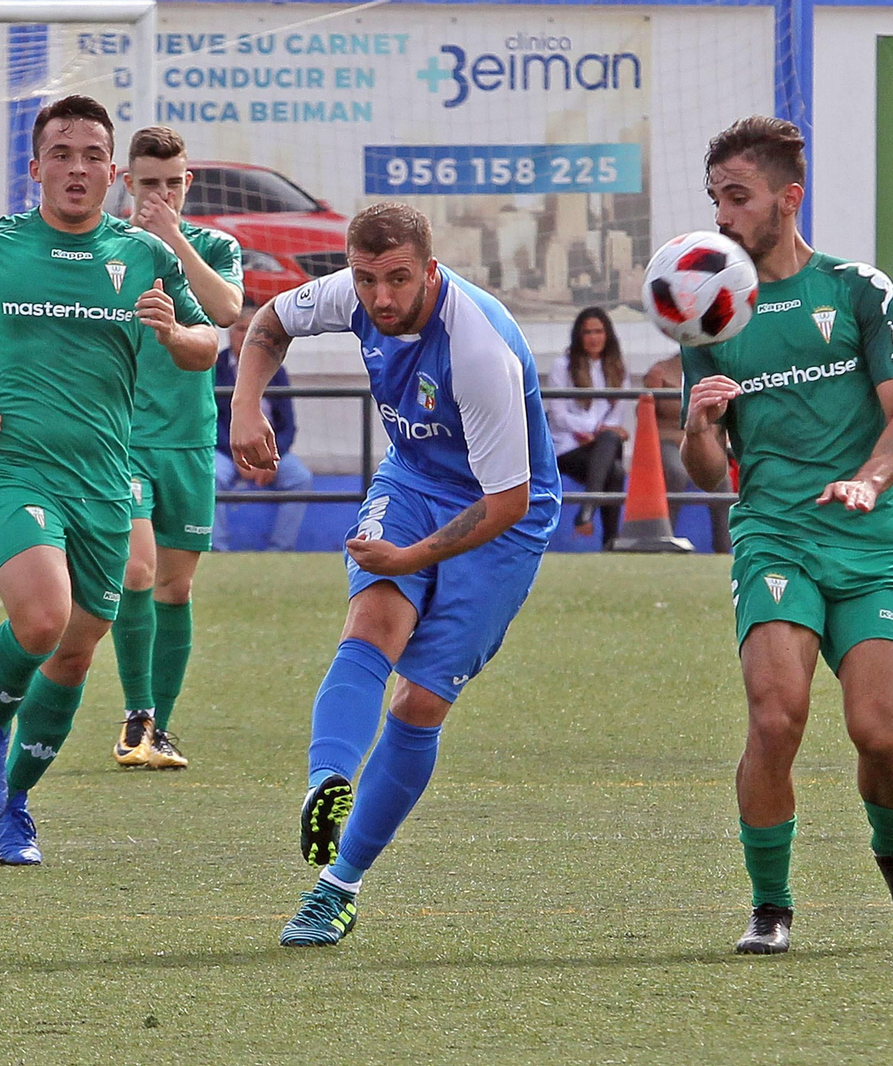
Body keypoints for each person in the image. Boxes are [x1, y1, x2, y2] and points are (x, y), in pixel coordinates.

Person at [229, 202, 561, 947]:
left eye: (398, 279)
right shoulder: (350, 294)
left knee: (418, 703)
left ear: (430, 271)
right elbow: (269, 323)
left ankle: (337, 887)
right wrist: (246, 406)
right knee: (373, 622)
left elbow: (507, 500)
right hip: (412, 481)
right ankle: (328, 783)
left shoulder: (478, 349)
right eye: (366, 279)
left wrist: (411, 559)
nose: (380, 297)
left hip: (505, 514)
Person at [0, 95, 216, 865]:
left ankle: (15, 806)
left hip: (104, 478)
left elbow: (207, 342)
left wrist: (175, 333)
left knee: (75, 654)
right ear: (35, 167)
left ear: (112, 173)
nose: (77, 168)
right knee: (43, 620)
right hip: (11, 464)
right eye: (62, 154)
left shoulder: (144, 255)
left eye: (92, 156)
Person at [680, 116, 893, 955]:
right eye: (716, 198)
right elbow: (705, 472)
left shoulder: (860, 290)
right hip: (775, 536)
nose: (722, 216)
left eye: (738, 197)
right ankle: (771, 906)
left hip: (869, 539)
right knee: (775, 718)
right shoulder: (712, 310)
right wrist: (698, 425)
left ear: (788, 199)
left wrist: (868, 480)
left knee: (879, 733)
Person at [109, 126, 243, 773]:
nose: (160, 195)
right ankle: (136, 716)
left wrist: (174, 241)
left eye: (171, 183)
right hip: (123, 439)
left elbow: (227, 311)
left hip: (188, 438)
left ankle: (159, 729)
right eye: (148, 184)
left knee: (175, 586)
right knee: (136, 571)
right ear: (126, 182)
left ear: (187, 184)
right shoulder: (107, 248)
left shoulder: (215, 247)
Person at [213, 297, 314, 552]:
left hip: (270, 451)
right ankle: (218, 549)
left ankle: (280, 549)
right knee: (211, 477)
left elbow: (288, 425)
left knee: (300, 478)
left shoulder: (277, 370)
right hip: (226, 449)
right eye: (239, 329)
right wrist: (239, 456)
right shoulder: (214, 368)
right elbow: (210, 421)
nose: (245, 336)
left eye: (251, 330)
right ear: (229, 333)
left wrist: (271, 458)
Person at [546, 307, 628, 547]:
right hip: (567, 446)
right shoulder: (563, 365)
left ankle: (588, 513)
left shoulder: (617, 367)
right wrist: (595, 429)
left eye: (599, 331)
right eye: (587, 332)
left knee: (613, 457)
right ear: (579, 336)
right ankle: (610, 539)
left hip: (600, 446)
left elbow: (617, 416)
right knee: (614, 466)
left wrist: (599, 432)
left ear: (607, 334)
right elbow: (558, 416)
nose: (594, 338)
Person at [642, 352, 731, 552]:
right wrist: (651, 392)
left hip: (703, 438)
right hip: (667, 438)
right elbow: (643, 416)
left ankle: (724, 549)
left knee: (722, 481)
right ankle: (664, 539)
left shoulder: (717, 365)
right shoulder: (661, 369)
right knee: (676, 473)